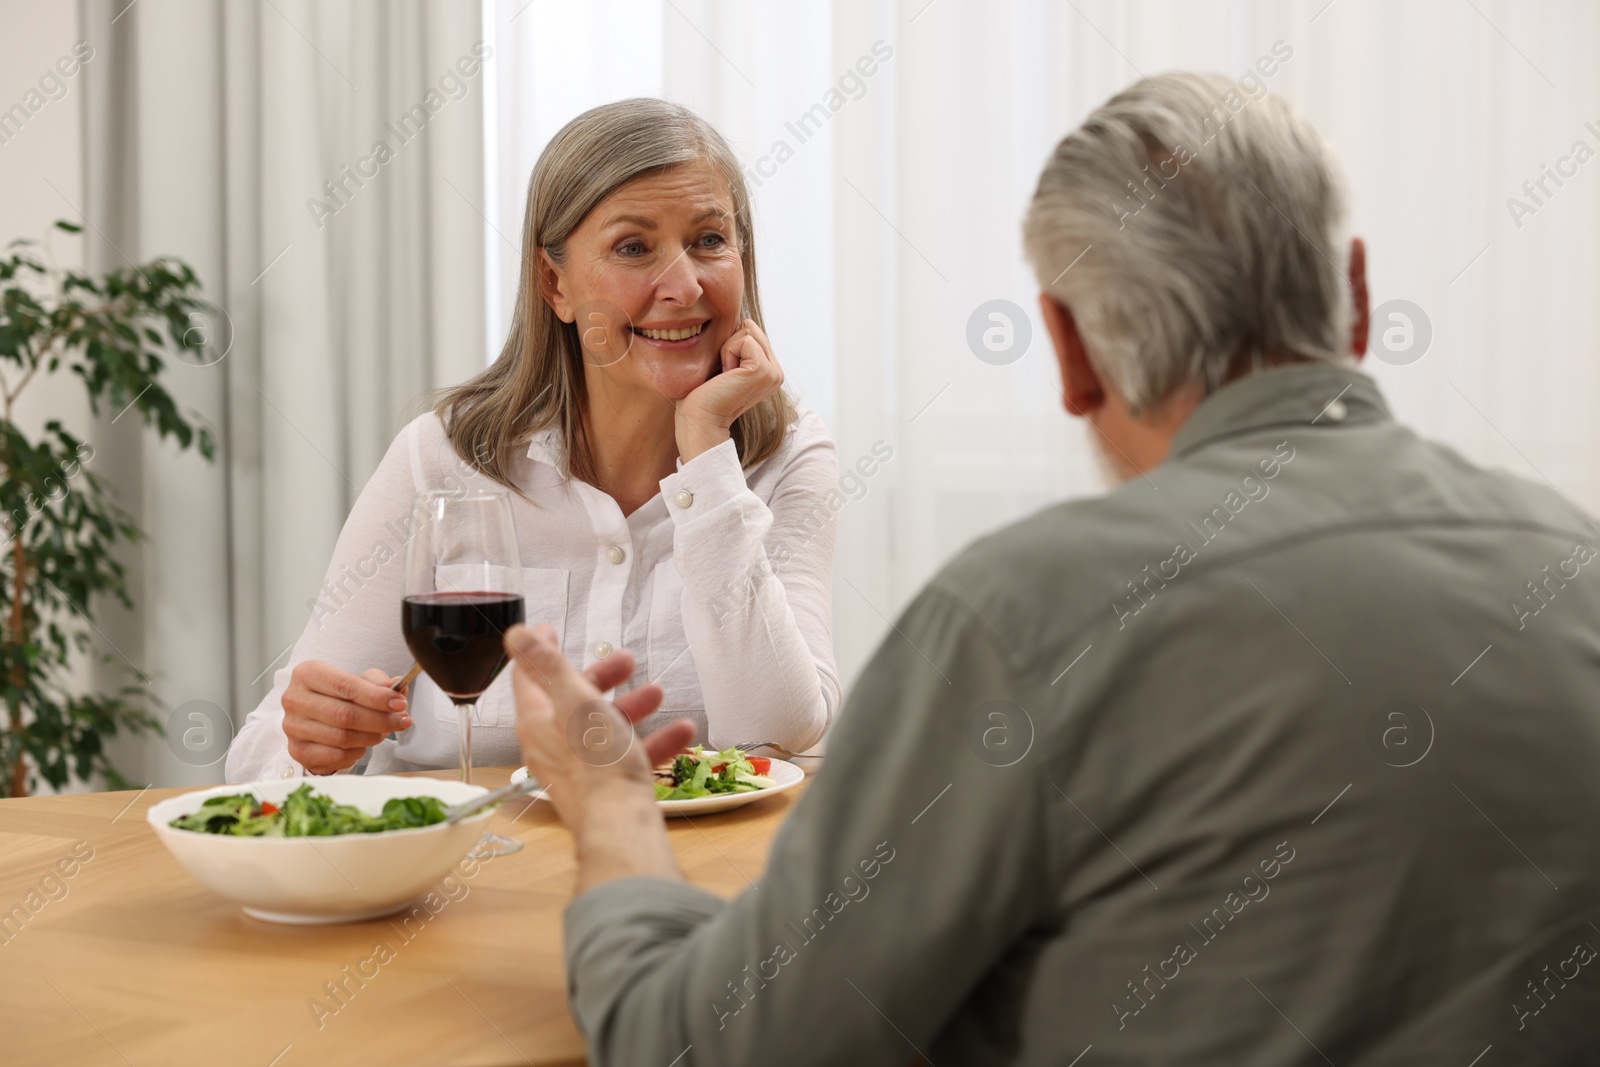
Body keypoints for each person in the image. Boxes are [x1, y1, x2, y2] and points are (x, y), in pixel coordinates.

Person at [503, 72, 1600, 1064]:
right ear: (1355, 300)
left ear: (1069, 352)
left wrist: (610, 806)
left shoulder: (1026, 616)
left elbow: (710, 1044)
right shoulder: (1576, 569)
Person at [227, 99, 841, 782]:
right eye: (634, 247)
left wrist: (706, 455)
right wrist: (316, 743)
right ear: (555, 284)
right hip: (469, 877)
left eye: (709, 240)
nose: (685, 285)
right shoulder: (442, 459)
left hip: (684, 882)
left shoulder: (787, 457)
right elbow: (260, 759)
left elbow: (782, 737)